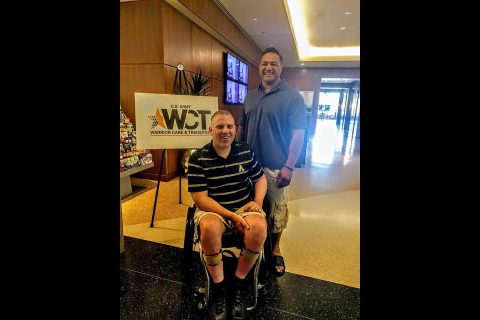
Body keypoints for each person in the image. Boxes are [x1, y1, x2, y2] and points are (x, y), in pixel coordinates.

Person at [188, 110, 268, 320]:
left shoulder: (246, 151)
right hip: (213, 209)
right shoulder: (198, 158)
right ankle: (219, 287)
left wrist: (257, 202)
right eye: (220, 127)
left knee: (258, 227)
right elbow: (200, 199)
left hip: (243, 206)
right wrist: (232, 217)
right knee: (209, 228)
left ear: (235, 129)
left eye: (230, 126)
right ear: (210, 130)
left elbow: (260, 179)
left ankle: (240, 282)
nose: (226, 131)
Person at [236, 47, 307, 277]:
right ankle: (250, 245)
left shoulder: (293, 97)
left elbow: (299, 134)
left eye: (273, 64)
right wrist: (236, 155)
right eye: (264, 63)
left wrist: (289, 165)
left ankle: (275, 248)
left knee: (277, 212)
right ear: (259, 67)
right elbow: (241, 127)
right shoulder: (250, 96)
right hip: (248, 166)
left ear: (281, 68)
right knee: (249, 208)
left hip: (276, 167)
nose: (268, 67)